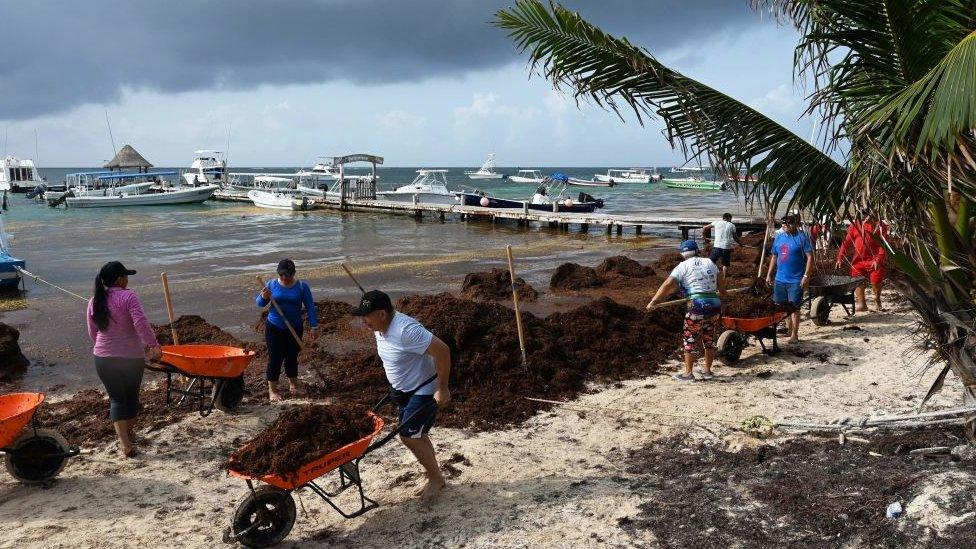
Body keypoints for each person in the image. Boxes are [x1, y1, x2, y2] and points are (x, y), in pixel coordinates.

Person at [352, 290, 452, 499]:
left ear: (381, 314)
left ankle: (436, 479)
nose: (363, 321)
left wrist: (442, 388)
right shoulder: (379, 326)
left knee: (408, 436)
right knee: (417, 434)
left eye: (366, 316)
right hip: (403, 390)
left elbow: (442, 350)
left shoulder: (406, 330)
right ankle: (434, 475)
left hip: (424, 389)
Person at [86, 261, 161, 458]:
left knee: (117, 399)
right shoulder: (129, 296)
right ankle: (127, 440)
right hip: (130, 357)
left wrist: (105, 347)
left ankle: (126, 439)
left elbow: (92, 332)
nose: (127, 280)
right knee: (131, 398)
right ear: (120, 279)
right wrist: (153, 345)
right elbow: (141, 323)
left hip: (103, 358)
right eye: (126, 276)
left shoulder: (94, 300)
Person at [647, 240, 725, 381]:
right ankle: (707, 371)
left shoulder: (682, 266)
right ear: (697, 251)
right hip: (714, 305)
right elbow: (721, 284)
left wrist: (654, 301)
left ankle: (688, 373)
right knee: (709, 339)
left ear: (683, 254)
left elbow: (667, 284)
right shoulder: (710, 262)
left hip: (696, 306)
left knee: (689, 340)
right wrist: (724, 293)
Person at [256, 259, 318, 402]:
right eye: (282, 274)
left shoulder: (302, 287)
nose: (285, 278)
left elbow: (310, 307)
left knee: (291, 357)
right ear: (279, 273)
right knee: (275, 359)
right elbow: (260, 303)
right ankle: (272, 390)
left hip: (295, 327)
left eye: (288, 275)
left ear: (294, 273)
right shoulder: (271, 285)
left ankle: (293, 385)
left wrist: (314, 326)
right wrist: (263, 296)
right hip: (274, 327)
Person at [766, 214, 814, 344]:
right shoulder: (779, 237)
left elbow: (810, 257)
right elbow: (774, 257)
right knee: (782, 306)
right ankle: (788, 329)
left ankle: (795, 334)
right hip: (780, 279)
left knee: (794, 307)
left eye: (789, 224)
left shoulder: (802, 238)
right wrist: (769, 274)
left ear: (796, 224)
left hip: (795, 279)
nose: (786, 226)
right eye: (784, 224)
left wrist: (806, 276)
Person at [836, 210, 889, 312]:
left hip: (875, 259)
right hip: (859, 260)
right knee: (857, 279)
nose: (865, 216)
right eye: (863, 214)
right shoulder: (855, 225)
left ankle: (877, 299)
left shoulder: (880, 225)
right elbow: (846, 242)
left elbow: (883, 244)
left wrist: (878, 259)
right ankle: (862, 303)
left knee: (876, 280)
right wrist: (840, 257)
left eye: (867, 213)